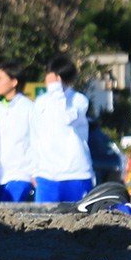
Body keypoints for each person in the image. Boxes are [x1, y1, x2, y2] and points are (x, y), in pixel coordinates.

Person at [31, 55, 96, 204]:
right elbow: (34, 138)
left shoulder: (80, 100)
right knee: (42, 223)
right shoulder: (40, 102)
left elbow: (68, 118)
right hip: (46, 176)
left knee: (80, 224)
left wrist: (56, 90)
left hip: (76, 175)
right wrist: (34, 171)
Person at [0, 62, 37, 203]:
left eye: (0, 79)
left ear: (14, 81)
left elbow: (36, 141)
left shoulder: (29, 108)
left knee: (9, 211)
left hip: (21, 173)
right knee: (2, 218)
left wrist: (36, 172)